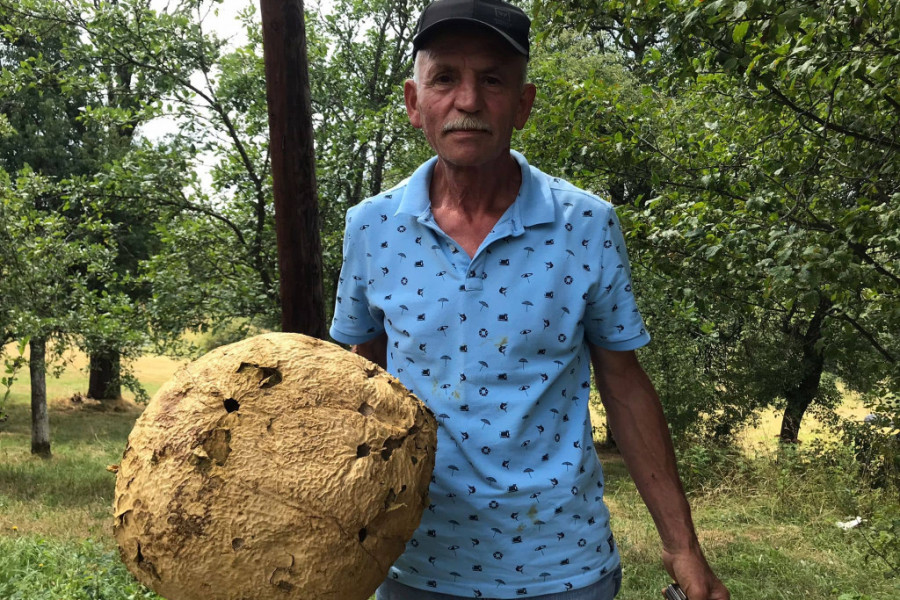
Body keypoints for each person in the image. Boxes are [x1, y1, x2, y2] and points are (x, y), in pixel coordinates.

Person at [329, 1, 730, 598]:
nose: (468, 101)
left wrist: (682, 549)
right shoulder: (371, 227)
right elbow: (349, 378)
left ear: (523, 104)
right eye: (445, 78)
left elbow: (624, 383)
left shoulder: (587, 225)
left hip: (564, 567)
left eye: (492, 79)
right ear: (415, 104)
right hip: (410, 561)